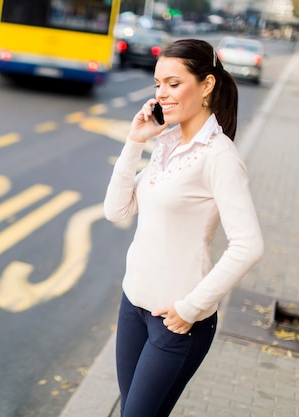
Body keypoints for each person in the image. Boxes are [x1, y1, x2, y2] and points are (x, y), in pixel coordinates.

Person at [103, 38, 264, 417]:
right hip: (133, 307)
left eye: (174, 84)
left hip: (177, 323)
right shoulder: (166, 144)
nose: (162, 95)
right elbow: (116, 210)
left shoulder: (220, 157)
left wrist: (192, 308)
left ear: (206, 85)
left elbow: (249, 245)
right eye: (158, 84)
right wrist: (134, 142)